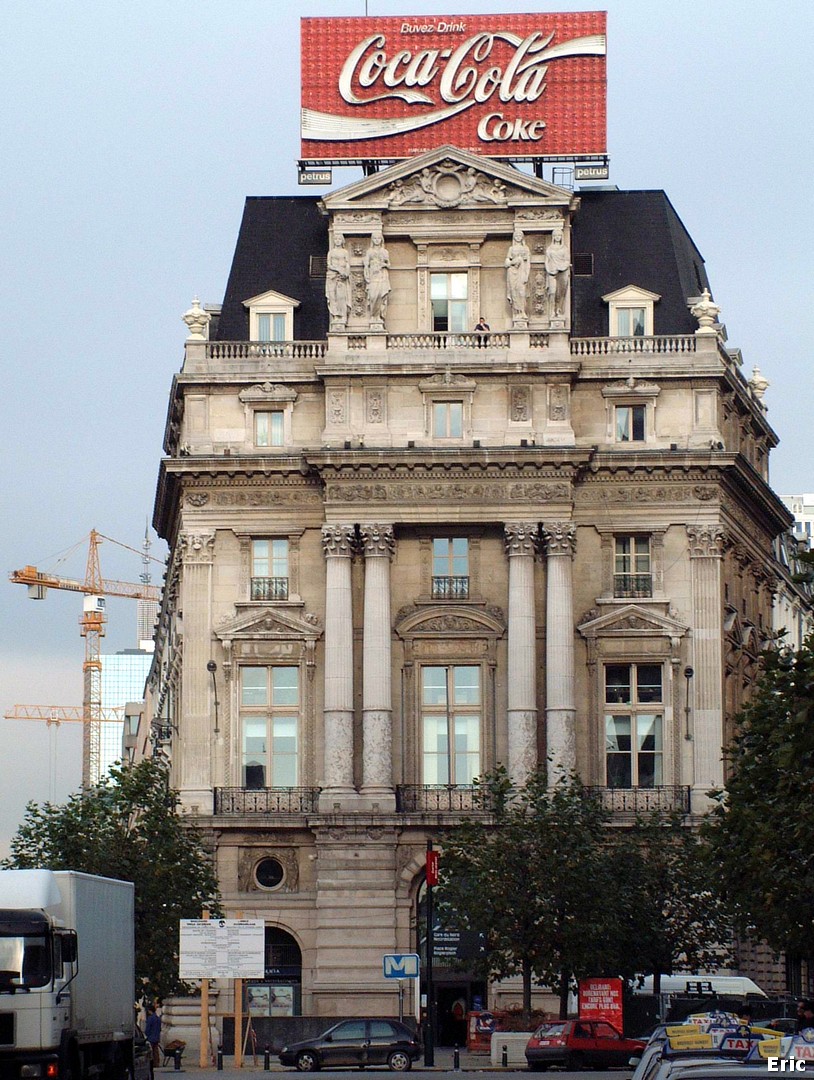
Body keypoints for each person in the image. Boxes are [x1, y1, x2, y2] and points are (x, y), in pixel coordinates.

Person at [364, 232, 391, 324]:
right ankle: (373, 315)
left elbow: (388, 264)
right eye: (375, 238)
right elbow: (366, 264)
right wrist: (366, 274)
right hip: (372, 275)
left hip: (382, 275)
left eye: (378, 238)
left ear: (381, 240)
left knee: (380, 295)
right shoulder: (370, 252)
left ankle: (377, 317)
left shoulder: (384, 252)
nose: (377, 240)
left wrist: (383, 265)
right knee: (373, 296)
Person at [325, 234, 351, 328]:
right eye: (335, 238)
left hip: (342, 277)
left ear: (342, 240)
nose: (337, 240)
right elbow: (329, 265)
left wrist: (346, 273)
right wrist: (338, 269)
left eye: (339, 238)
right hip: (332, 276)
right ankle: (336, 316)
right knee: (333, 297)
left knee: (341, 297)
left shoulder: (345, 252)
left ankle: (342, 316)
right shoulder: (331, 252)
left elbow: (347, 264)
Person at [505, 229, 530, 320]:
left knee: (521, 292)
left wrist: (526, 275)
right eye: (516, 236)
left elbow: (528, 263)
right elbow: (507, 261)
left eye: (520, 236)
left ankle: (522, 311)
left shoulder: (525, 248)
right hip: (512, 272)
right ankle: (517, 312)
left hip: (522, 272)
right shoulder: (511, 249)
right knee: (514, 292)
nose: (518, 237)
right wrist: (512, 262)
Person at [545, 228, 570, 318]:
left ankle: (558, 310)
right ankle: (552, 310)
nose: (557, 237)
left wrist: (561, 267)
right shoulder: (549, 249)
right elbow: (547, 261)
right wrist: (549, 270)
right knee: (552, 292)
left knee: (561, 292)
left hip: (562, 272)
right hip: (552, 272)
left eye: (559, 235)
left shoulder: (564, 249)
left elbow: (567, 261)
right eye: (556, 235)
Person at [145, 1003, 162, 1067]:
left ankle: (151, 1063)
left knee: (151, 1051)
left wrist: (147, 1034)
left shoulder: (150, 1018)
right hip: (156, 1036)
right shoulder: (158, 1018)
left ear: (149, 1011)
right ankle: (156, 1063)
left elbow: (147, 1029)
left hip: (151, 1037)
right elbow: (159, 1028)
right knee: (156, 1051)